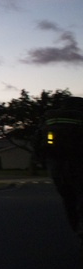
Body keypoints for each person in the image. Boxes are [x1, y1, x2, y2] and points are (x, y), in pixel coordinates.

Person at [35, 96, 83, 253]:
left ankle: (77, 230)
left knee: (68, 201)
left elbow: (37, 143)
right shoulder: (79, 116)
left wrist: (42, 161)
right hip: (78, 165)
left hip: (57, 168)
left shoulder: (49, 118)